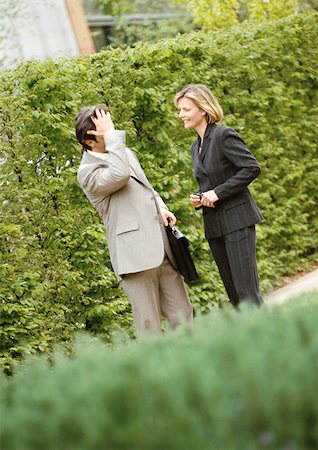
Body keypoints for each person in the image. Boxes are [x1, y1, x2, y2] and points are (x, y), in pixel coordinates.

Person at [75, 105, 193, 335]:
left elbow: (146, 187)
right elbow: (120, 175)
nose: (112, 130)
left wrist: (161, 205)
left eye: (110, 124)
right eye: (104, 129)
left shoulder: (124, 153)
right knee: (150, 326)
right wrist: (112, 137)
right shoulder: (87, 172)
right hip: (134, 258)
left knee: (183, 314)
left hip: (162, 248)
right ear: (89, 141)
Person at [174, 84, 263, 307]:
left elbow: (251, 168)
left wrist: (218, 193)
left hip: (238, 220)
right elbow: (210, 182)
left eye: (185, 109)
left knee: (246, 291)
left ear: (203, 109)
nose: (181, 115)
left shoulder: (224, 135)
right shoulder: (195, 147)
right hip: (214, 227)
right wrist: (200, 197)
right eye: (180, 110)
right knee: (234, 293)